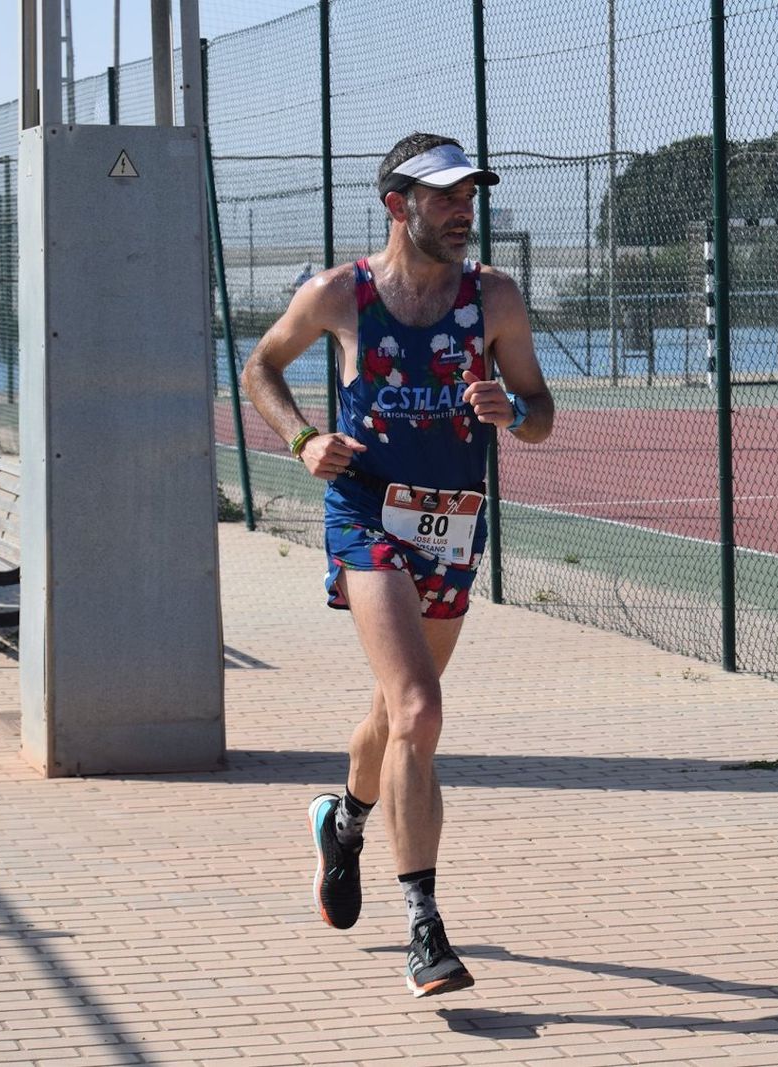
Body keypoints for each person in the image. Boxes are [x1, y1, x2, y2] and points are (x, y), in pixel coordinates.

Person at [240, 132, 554, 998]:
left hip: (452, 525)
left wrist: (510, 408)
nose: (464, 210)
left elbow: (541, 412)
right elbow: (260, 365)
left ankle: (343, 822)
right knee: (422, 706)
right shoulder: (342, 295)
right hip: (366, 517)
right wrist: (303, 439)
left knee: (395, 715)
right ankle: (426, 925)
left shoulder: (493, 297)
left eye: (470, 196)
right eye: (446, 196)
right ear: (396, 204)